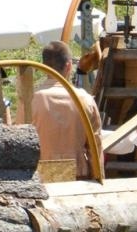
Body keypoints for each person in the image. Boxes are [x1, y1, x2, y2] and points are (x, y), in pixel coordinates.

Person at [18, 39, 102, 180]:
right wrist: (99, 180)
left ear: (44, 66)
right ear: (69, 66)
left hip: (39, 177)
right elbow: (95, 147)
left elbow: (19, 141)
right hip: (78, 178)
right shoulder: (85, 99)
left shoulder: (28, 101)